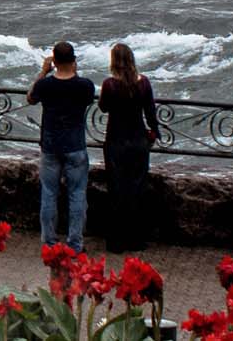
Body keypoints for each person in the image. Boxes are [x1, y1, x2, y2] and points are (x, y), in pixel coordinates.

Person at [27, 40, 96, 252]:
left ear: (54, 61)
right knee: (77, 194)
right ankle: (75, 243)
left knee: (49, 193)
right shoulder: (84, 85)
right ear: (74, 61)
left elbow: (30, 98)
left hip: (50, 145)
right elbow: (88, 100)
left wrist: (43, 72)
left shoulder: (45, 85)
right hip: (75, 145)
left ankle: (49, 242)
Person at [99, 42, 160, 251]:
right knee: (137, 189)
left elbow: (103, 107)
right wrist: (154, 133)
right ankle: (137, 239)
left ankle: (116, 240)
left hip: (116, 141)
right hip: (137, 141)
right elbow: (150, 112)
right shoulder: (143, 83)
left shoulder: (109, 84)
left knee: (117, 190)